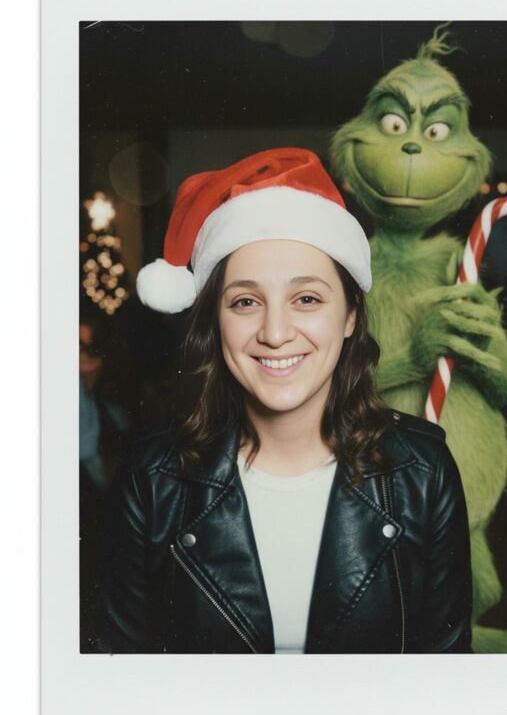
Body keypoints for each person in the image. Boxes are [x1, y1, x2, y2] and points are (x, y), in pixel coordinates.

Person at [97, 148, 472, 654]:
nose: (275, 333)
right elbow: (120, 676)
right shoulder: (151, 479)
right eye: (245, 301)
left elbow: (448, 678)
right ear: (215, 323)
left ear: (350, 317)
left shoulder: (423, 473)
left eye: (307, 299)